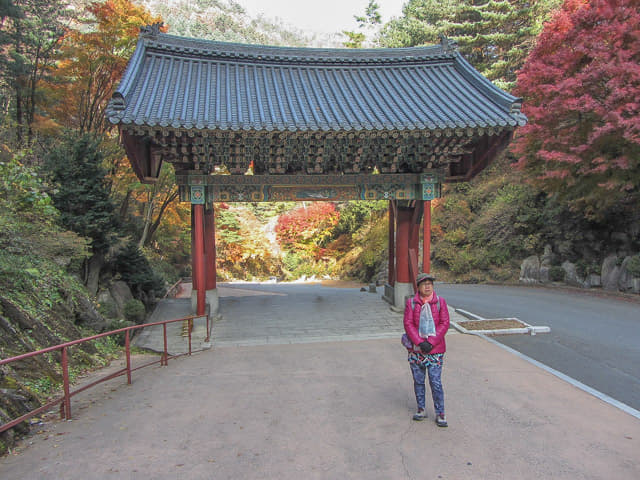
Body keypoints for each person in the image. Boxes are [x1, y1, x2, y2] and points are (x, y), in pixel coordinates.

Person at [403, 272, 450, 427]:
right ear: (418, 287)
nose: (428, 286)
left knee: (435, 382)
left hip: (435, 350)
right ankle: (421, 408)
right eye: (424, 284)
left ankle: (440, 412)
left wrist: (431, 342)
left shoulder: (440, 302)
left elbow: (444, 323)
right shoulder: (411, 303)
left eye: (430, 283)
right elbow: (408, 323)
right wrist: (419, 341)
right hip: (416, 350)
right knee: (418, 381)